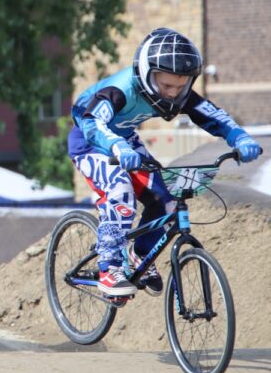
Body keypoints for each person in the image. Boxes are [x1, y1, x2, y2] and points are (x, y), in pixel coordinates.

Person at [69, 27, 262, 298]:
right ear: (147, 75)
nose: (173, 93)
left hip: (125, 142)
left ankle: (139, 256)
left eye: (180, 87)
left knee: (166, 201)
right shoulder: (120, 89)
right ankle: (109, 267)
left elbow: (211, 114)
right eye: (167, 86)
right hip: (90, 142)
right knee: (120, 190)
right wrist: (117, 145)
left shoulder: (176, 92)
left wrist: (239, 137)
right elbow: (90, 121)